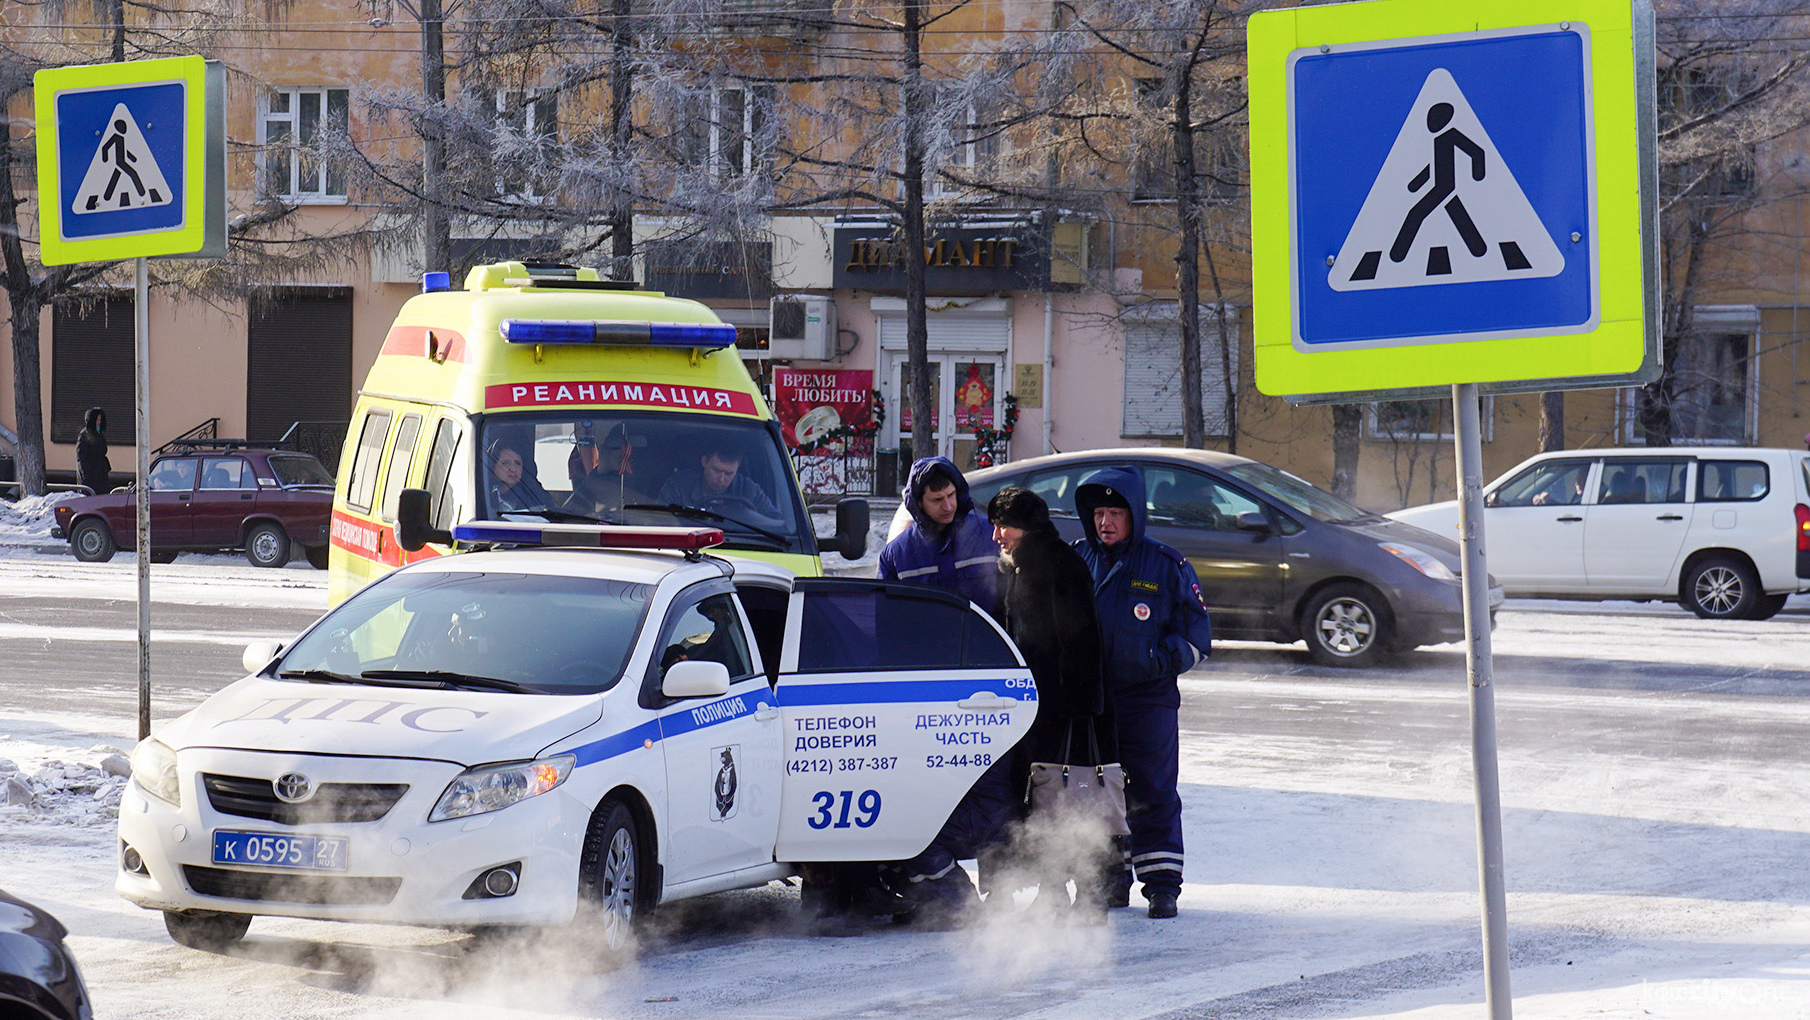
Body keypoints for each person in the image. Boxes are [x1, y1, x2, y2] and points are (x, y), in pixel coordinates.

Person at [1074, 467, 1212, 920]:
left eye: (1115, 512)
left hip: (1148, 701)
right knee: (1098, 792)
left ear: (1134, 515)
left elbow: (1196, 639)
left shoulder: (1167, 566)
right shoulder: (1078, 561)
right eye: (1098, 513)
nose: (1105, 522)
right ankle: (1108, 882)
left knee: (1152, 789)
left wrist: (1156, 660)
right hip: (1094, 702)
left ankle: (1161, 884)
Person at [988, 486, 1111, 922]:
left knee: (1071, 803)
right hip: (1032, 709)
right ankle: (1055, 890)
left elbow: (1083, 641)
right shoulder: (1017, 566)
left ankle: (1093, 895)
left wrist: (1078, 709)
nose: (997, 534)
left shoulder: (1061, 563)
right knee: (1044, 804)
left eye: (1004, 525)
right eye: (995, 525)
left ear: (1028, 527)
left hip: (1064, 710)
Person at [877, 456, 998, 608]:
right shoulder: (897, 554)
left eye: (951, 495)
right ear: (919, 503)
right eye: (937, 500)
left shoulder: (991, 535)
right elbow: (886, 615)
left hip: (982, 632)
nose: (947, 506)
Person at [658, 442, 782, 519]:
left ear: (737, 468)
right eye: (716, 470)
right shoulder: (678, 486)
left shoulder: (749, 491)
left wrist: (750, 517)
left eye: (729, 473)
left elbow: (775, 523)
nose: (721, 479)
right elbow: (658, 520)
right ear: (704, 461)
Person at [571, 423, 648, 516]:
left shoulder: (653, 486)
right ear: (604, 450)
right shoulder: (592, 482)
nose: (623, 456)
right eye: (614, 449)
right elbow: (572, 515)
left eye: (627, 451)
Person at [484, 439, 552, 513]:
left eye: (518, 463)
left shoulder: (536, 496)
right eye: (505, 463)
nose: (513, 469)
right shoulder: (482, 494)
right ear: (493, 467)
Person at [76, 407, 111, 495]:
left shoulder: (99, 434)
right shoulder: (84, 435)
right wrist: (86, 475)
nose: (99, 422)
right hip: (91, 476)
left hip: (101, 474)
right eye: (97, 420)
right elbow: (81, 457)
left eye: (100, 419)